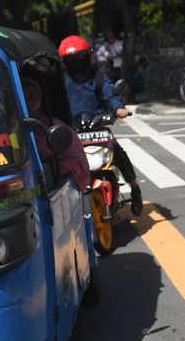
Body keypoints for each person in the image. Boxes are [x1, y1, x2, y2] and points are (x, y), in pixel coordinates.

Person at [57, 34, 143, 215]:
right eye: (71, 60)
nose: (76, 64)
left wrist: (119, 108)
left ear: (87, 57)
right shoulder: (61, 82)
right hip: (73, 133)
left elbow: (110, 95)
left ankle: (135, 188)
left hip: (97, 128)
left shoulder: (97, 77)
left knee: (118, 154)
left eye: (79, 58)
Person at [22, 77, 89, 190]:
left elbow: (77, 160)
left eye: (33, 97)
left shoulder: (50, 125)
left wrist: (50, 170)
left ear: (40, 100)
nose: (29, 102)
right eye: (25, 97)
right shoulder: (8, 127)